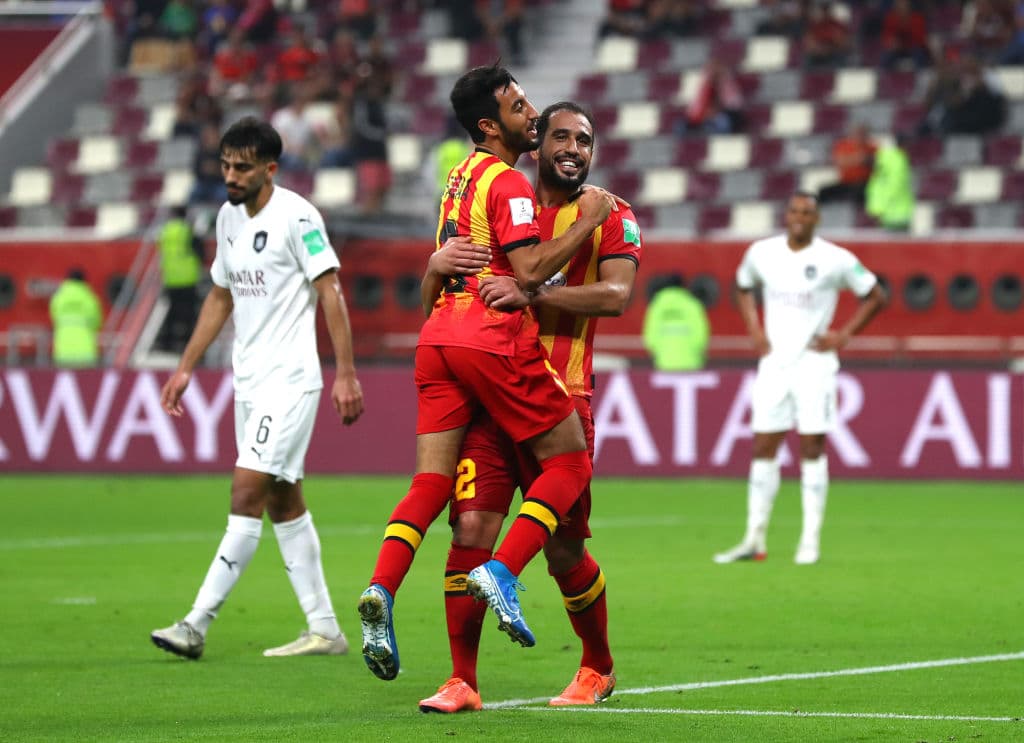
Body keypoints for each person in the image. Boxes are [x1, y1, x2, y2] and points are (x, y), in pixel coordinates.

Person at [357, 65, 616, 683]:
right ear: (490, 124)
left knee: (431, 483)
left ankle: (381, 587)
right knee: (569, 466)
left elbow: (444, 284)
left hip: (439, 340)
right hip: (494, 346)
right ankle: (498, 582)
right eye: (520, 106)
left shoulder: (458, 179)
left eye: (530, 103)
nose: (531, 114)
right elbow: (526, 275)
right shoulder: (510, 184)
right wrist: (586, 222)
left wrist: (433, 267)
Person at [417, 101, 641, 713]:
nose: (574, 149)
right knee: (470, 530)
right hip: (490, 396)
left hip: (562, 400)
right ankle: (462, 680)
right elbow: (450, 292)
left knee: (564, 551)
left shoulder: (612, 213)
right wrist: (435, 266)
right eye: (562, 136)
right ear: (537, 144)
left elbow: (617, 296)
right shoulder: (501, 201)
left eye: (585, 141)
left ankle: (597, 666)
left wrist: (531, 293)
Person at [150, 117, 364, 660]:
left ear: (270, 169)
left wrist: (345, 372)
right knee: (282, 501)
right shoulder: (226, 218)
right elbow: (221, 295)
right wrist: (185, 367)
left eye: (242, 168)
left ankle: (195, 624)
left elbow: (331, 292)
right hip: (248, 380)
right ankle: (325, 630)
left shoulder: (298, 216)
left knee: (245, 493)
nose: (230, 175)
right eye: (225, 165)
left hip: (289, 381)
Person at [713, 191, 886, 566]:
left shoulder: (835, 258)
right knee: (763, 446)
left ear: (816, 219)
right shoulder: (763, 252)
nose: (799, 217)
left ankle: (810, 541)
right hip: (774, 363)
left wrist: (843, 336)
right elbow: (742, 286)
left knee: (812, 448)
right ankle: (753, 539)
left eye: (807, 212)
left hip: (814, 364)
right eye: (794, 210)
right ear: (786, 214)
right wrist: (755, 330)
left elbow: (875, 295)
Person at [157, 205, 203, 353]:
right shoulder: (187, 231)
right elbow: (199, 251)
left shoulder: (165, 231)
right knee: (190, 314)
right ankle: (189, 343)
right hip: (188, 279)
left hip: (170, 279)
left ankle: (166, 343)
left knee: (171, 313)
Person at [642, 273, 709, 371]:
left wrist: (659, 353)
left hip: (664, 363)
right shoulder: (692, 304)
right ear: (683, 286)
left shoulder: (657, 304)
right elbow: (701, 334)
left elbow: (650, 335)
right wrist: (695, 352)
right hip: (691, 364)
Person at [49, 268, 103, 367]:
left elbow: (54, 319)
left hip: (63, 351)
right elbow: (97, 323)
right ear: (84, 281)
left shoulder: (58, 298)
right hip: (86, 351)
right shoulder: (90, 298)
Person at [818, 123, 875, 206]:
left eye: (862, 133)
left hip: (865, 182)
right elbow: (839, 161)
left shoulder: (872, 147)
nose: (859, 136)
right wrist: (857, 159)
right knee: (824, 192)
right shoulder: (843, 146)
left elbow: (876, 162)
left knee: (862, 192)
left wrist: (864, 160)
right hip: (846, 182)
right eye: (857, 133)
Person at [865, 133, 914, 231]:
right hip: (896, 211)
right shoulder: (896, 159)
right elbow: (895, 184)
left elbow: (886, 184)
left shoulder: (885, 158)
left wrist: (877, 207)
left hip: (889, 211)